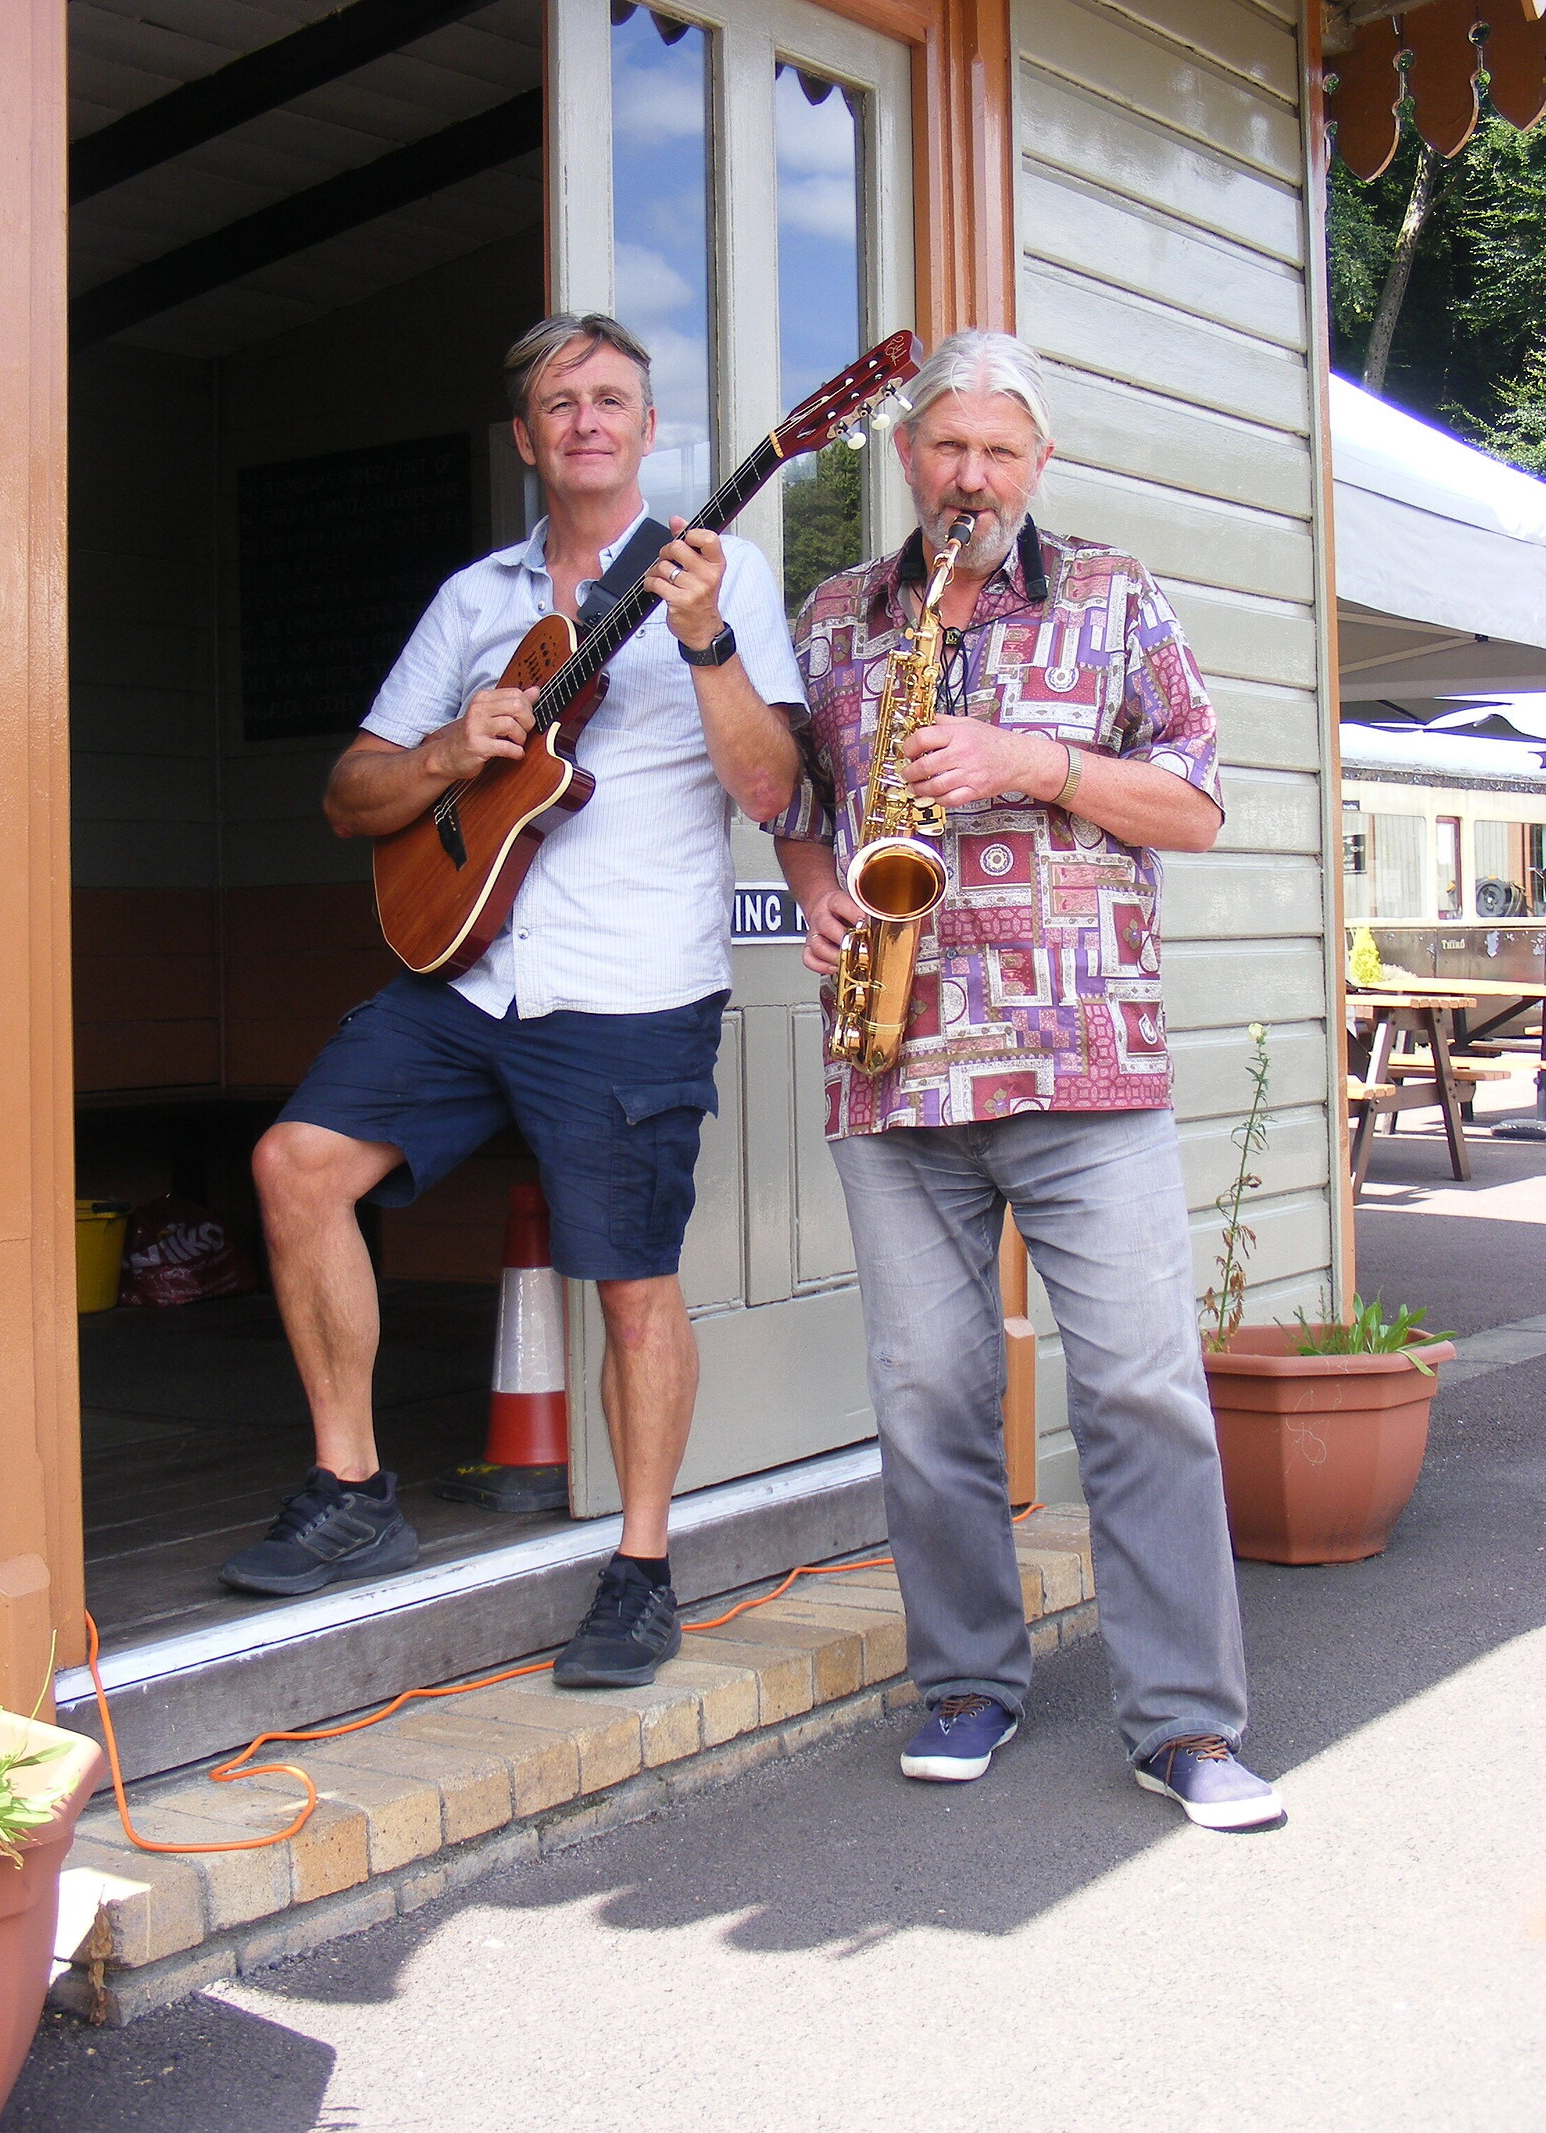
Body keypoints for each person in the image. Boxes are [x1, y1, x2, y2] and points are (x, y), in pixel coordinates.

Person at [221, 314, 805, 1693]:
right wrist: (445, 746)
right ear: (527, 441)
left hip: (629, 987)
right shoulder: (474, 599)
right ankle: (353, 1485)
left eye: (612, 399)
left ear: (648, 431)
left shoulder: (724, 575)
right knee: (294, 1164)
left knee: (632, 1289)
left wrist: (708, 638)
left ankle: (643, 1567)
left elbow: (772, 788)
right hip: (467, 969)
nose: (587, 420)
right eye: (560, 403)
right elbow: (350, 795)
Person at [772, 330, 1282, 1830]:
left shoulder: (1116, 595)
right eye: (946, 448)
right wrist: (813, 882)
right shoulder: (836, 615)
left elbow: (1196, 801)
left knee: (1137, 1385)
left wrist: (1030, 761)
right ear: (908, 457)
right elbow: (799, 796)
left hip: (1085, 1061)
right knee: (928, 1390)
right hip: (894, 1063)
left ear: (1037, 464)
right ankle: (967, 1679)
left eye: (1000, 450)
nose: (971, 476)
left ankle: (1186, 1722)